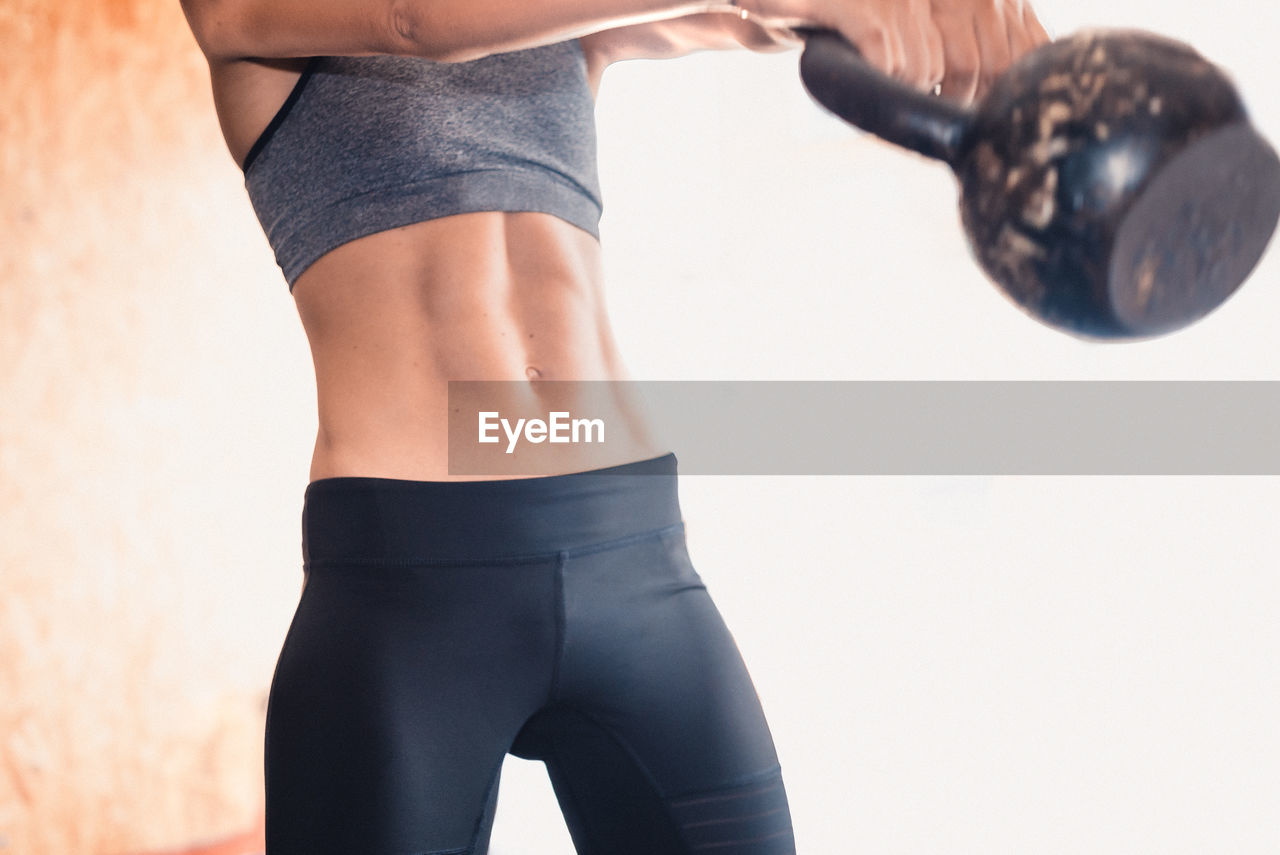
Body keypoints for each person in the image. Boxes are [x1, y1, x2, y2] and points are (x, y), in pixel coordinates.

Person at [178, 1, 1048, 852]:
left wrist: (920, 12)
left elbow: (736, 19)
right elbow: (417, 22)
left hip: (632, 559)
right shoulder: (245, 12)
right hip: (411, 588)